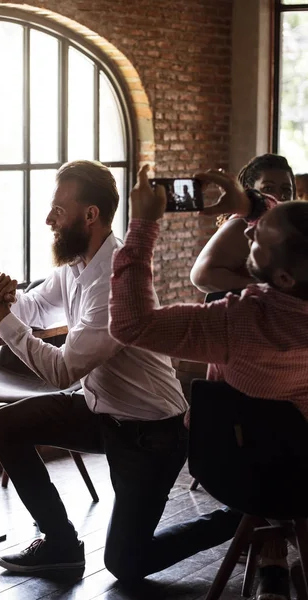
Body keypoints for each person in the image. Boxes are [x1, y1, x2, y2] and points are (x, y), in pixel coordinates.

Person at [0, 160, 241, 583]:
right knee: (4, 425)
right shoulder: (76, 263)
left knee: (125, 563)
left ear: (90, 215)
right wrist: (5, 298)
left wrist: (3, 321)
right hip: (101, 412)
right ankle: (60, 542)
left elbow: (62, 372)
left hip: (150, 434)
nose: (48, 220)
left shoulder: (115, 281)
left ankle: (240, 518)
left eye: (57, 210)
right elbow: (38, 306)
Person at [109, 165, 308, 600]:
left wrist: (142, 227)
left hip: (236, 471)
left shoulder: (240, 323)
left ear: (283, 279)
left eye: (257, 239)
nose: (248, 237)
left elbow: (130, 323)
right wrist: (252, 207)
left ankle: (257, 529)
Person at [190, 153, 295, 293]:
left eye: (286, 191)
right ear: (249, 191)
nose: (278, 197)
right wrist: (269, 289)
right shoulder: (242, 225)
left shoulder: (290, 228)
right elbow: (202, 276)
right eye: (268, 189)